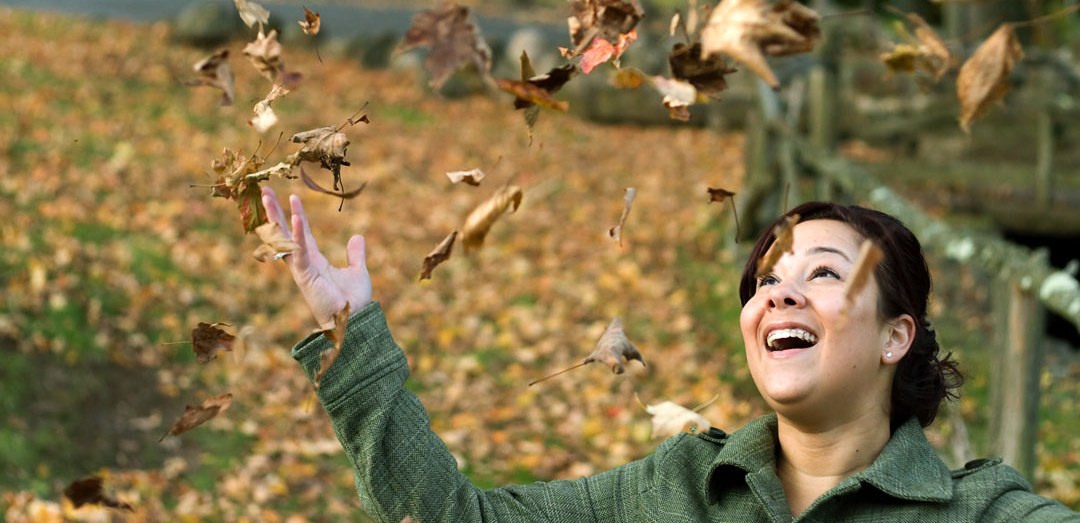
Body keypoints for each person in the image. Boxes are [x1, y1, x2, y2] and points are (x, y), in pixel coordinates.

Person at [261, 187, 1079, 522]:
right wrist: (351, 333)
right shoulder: (674, 487)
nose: (778, 295)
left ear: (898, 336)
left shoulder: (981, 515)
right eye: (765, 281)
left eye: (822, 274)